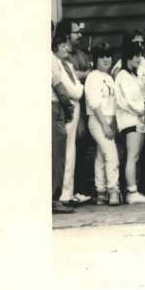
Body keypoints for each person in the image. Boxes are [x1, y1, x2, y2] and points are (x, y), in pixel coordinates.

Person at [56, 17, 94, 202]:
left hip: (80, 110)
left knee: (76, 151)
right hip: (68, 110)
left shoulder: (73, 59)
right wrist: (83, 80)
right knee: (67, 152)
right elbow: (75, 90)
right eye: (75, 32)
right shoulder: (59, 62)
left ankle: (72, 191)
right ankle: (64, 193)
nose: (79, 35)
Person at [114, 42, 145, 204]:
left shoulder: (132, 75)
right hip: (130, 120)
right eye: (137, 55)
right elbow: (129, 102)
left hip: (137, 119)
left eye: (141, 55)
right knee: (132, 156)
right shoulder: (123, 76)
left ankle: (133, 190)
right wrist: (144, 105)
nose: (140, 59)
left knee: (134, 157)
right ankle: (132, 192)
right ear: (129, 57)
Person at [84, 42, 121, 205]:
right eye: (102, 57)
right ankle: (113, 190)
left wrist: (112, 122)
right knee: (111, 154)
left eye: (108, 56)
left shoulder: (108, 77)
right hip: (98, 120)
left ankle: (100, 192)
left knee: (102, 155)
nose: (106, 60)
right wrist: (105, 125)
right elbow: (94, 103)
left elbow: (112, 103)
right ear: (96, 59)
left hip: (108, 120)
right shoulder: (93, 77)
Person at [51, 31, 77, 214]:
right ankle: (53, 199)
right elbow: (58, 87)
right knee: (57, 155)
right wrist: (69, 108)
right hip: (53, 108)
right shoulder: (51, 60)